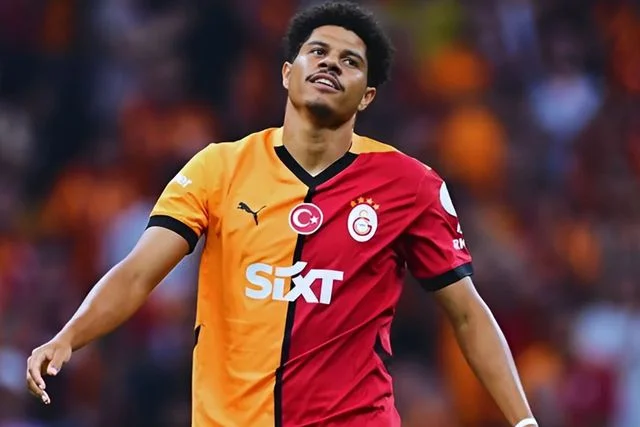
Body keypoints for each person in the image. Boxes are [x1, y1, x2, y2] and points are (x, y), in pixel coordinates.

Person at [26, 2, 538, 426]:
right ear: (288, 73)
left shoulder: (411, 186)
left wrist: (523, 421)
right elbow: (139, 271)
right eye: (318, 51)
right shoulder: (218, 167)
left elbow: (467, 312)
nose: (330, 64)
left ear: (367, 96)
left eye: (350, 61)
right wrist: (70, 336)